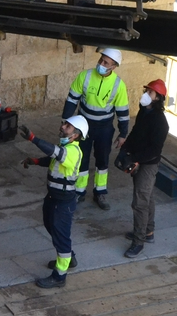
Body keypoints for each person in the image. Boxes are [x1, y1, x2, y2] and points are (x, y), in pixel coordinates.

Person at [19, 115, 89, 288]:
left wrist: (33, 139)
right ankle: (69, 258)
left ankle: (59, 276)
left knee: (61, 235)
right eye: (65, 124)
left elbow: (54, 153)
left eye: (68, 126)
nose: (63, 126)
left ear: (75, 135)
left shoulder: (72, 151)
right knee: (50, 225)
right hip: (54, 197)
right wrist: (35, 161)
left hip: (63, 201)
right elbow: (53, 159)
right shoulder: (65, 147)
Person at [61, 48, 130, 211]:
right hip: (83, 126)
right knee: (81, 158)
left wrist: (123, 133)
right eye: (101, 60)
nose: (101, 64)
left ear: (113, 67)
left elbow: (122, 112)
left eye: (106, 63)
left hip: (104, 128)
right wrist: (65, 122)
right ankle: (79, 191)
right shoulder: (85, 76)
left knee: (102, 161)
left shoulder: (118, 85)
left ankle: (100, 192)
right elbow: (72, 100)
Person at [118, 79, 169, 258]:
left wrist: (135, 159)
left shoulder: (160, 122)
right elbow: (136, 132)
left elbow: (154, 150)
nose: (146, 95)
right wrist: (125, 149)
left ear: (158, 98)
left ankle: (138, 242)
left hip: (148, 164)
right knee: (148, 197)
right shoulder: (143, 112)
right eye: (146, 91)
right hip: (138, 159)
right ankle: (148, 231)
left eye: (150, 92)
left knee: (140, 202)